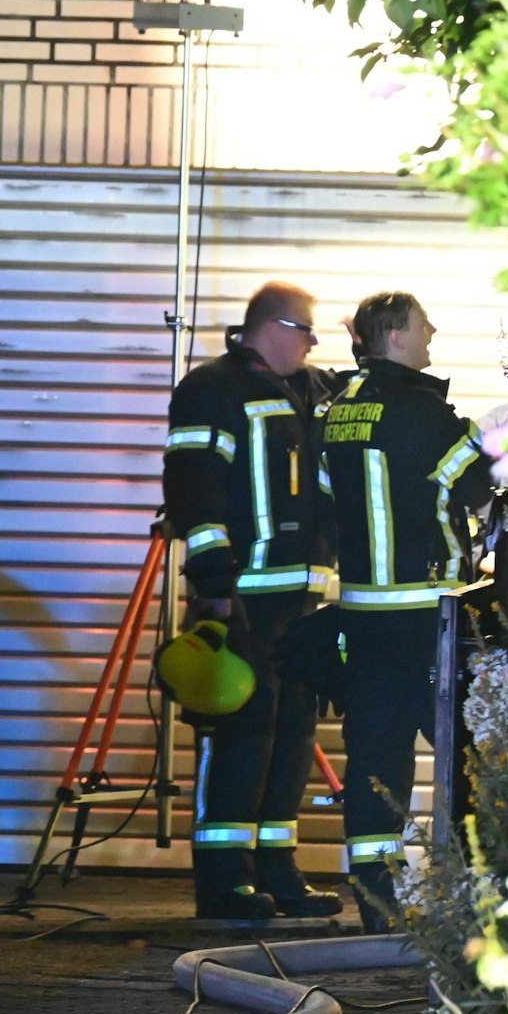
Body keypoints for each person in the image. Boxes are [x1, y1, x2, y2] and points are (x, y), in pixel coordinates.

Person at [163, 281, 345, 922]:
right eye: (308, 331)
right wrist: (212, 582)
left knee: (293, 736)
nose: (314, 344)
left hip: (305, 603)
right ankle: (223, 883)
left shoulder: (316, 392)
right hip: (240, 598)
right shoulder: (213, 388)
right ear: (273, 327)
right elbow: (193, 484)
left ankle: (277, 872)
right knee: (242, 735)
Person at [323, 290, 492, 931]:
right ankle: (475, 895)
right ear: (394, 335)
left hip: (363, 614)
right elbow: (482, 493)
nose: (434, 332)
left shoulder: (335, 410)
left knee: (373, 756)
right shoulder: (427, 416)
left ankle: (375, 902)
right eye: (424, 325)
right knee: (468, 752)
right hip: (429, 611)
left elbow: (323, 501)